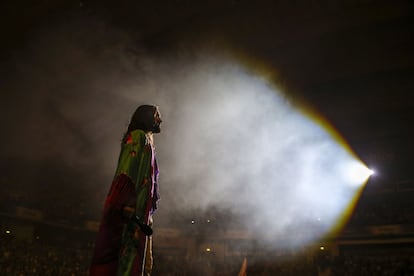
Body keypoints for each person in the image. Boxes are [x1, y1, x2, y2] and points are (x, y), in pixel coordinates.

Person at [90, 105, 162, 276]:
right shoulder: (138, 137)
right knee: (125, 264)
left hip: (140, 217)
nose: (160, 119)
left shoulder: (148, 142)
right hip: (130, 216)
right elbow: (125, 171)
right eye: (156, 115)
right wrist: (124, 203)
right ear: (146, 118)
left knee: (140, 265)